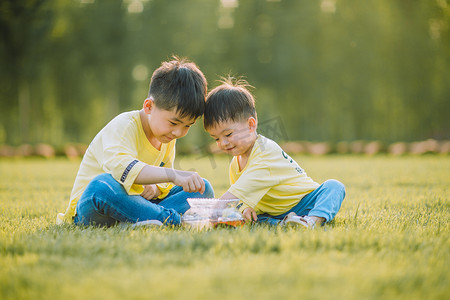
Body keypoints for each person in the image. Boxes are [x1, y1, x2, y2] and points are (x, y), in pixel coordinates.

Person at [56, 57, 214, 227]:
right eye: (174, 123)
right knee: (101, 186)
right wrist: (173, 175)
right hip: (95, 207)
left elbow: (163, 181)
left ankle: (140, 220)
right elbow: (122, 169)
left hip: (136, 204)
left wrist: (155, 188)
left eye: (187, 125)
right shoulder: (124, 126)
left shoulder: (166, 136)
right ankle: (174, 220)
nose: (179, 132)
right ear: (149, 107)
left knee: (202, 188)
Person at [203, 77, 345, 228]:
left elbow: (237, 192)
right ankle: (283, 223)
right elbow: (240, 198)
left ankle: (312, 221)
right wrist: (245, 208)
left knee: (333, 187)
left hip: (304, 201)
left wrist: (217, 208)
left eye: (228, 134)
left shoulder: (266, 152)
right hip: (273, 211)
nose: (223, 143)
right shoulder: (235, 164)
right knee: (254, 218)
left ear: (251, 125)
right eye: (216, 138)